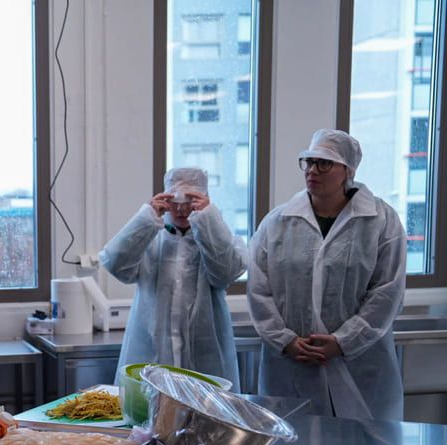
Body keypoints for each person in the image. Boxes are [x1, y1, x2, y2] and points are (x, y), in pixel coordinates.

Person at [247, 129, 407, 421]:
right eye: (308, 162)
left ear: (348, 170)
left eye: (324, 163)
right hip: (291, 366)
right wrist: (285, 341)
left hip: (359, 365)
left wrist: (343, 341)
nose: (312, 170)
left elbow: (387, 290)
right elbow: (259, 288)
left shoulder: (382, 222)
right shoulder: (277, 222)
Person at [99, 167, 246, 391]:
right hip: (151, 357)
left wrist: (209, 221)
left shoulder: (217, 238)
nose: (181, 208)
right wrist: (145, 218)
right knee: (148, 419)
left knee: (206, 419)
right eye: (175, 200)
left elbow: (225, 273)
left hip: (206, 360)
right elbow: (114, 262)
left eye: (190, 200)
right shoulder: (151, 238)